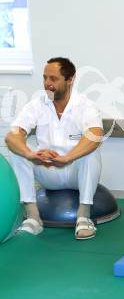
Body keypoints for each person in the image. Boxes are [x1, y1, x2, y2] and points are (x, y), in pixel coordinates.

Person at [5, 57, 104, 240]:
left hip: (75, 172)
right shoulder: (37, 104)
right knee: (17, 151)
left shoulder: (85, 105)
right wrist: (31, 154)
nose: (47, 84)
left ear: (70, 80)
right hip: (48, 170)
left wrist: (68, 158)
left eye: (53, 79)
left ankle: (83, 216)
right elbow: (12, 135)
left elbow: (95, 134)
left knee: (91, 153)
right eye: (45, 78)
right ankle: (33, 217)